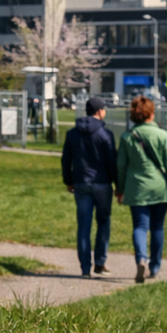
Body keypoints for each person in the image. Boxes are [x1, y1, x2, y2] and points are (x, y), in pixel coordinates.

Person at [117, 96, 167, 284]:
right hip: (159, 188)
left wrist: (120, 189)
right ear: (151, 114)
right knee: (157, 227)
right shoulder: (162, 135)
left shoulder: (127, 137)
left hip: (136, 187)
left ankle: (141, 259)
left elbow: (121, 165)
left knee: (139, 226)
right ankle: (154, 267)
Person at [61, 96, 118, 278]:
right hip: (102, 183)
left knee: (83, 225)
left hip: (81, 182)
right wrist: (118, 184)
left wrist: (68, 180)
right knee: (103, 222)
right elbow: (112, 162)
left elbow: (66, 160)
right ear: (99, 111)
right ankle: (100, 262)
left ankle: (85, 267)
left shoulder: (72, 133)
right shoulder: (105, 134)